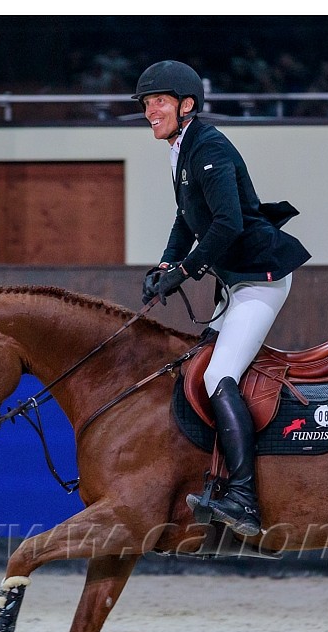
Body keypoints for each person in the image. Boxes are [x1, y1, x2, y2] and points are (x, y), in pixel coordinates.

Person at [133, 60, 311, 537]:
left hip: (260, 278)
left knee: (218, 374)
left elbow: (228, 224)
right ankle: (215, 478)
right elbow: (185, 219)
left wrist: (186, 271)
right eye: (147, 104)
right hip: (234, 281)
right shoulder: (180, 147)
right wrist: (166, 265)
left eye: (160, 102)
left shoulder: (208, 147)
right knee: (199, 364)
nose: (151, 111)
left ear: (187, 105)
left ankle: (245, 499)